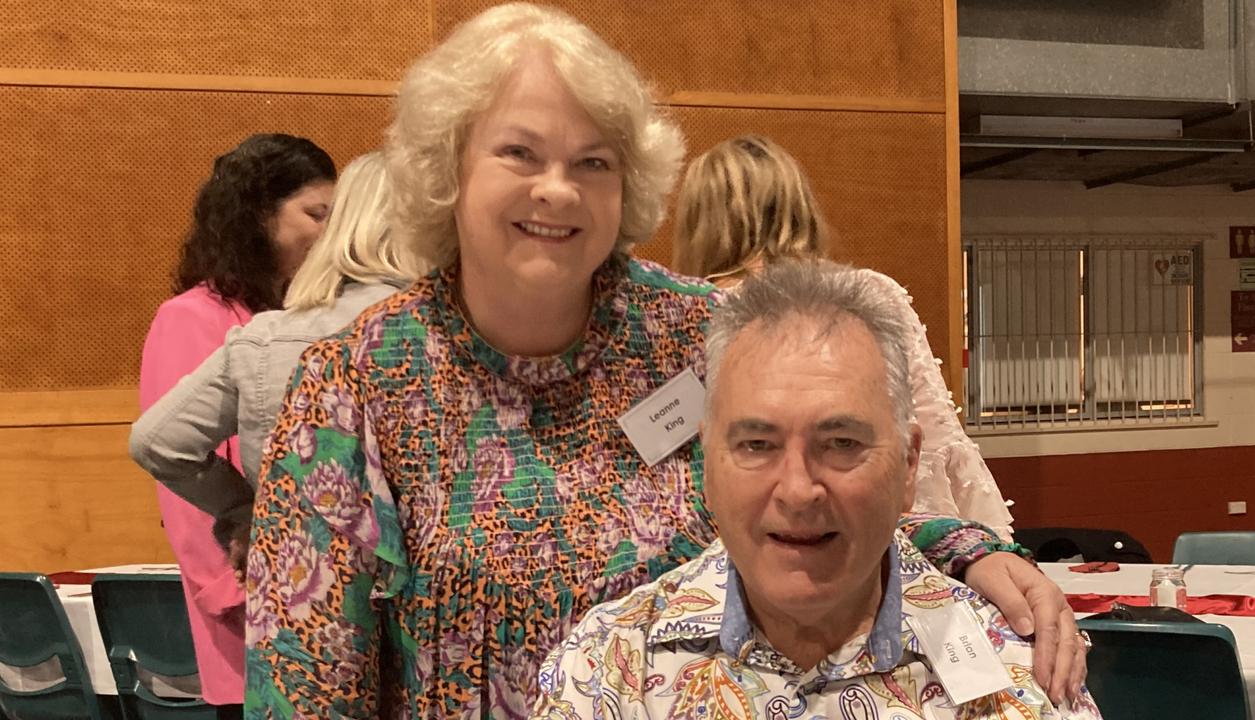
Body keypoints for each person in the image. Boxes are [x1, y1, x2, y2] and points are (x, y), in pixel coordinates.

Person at [245, 5, 1083, 717]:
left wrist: (968, 550)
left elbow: (822, 488)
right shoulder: (358, 383)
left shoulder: (700, 335)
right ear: (447, 170)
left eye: (593, 161)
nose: (557, 189)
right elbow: (304, 674)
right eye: (519, 153)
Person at [535, 260, 1100, 719]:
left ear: (908, 465)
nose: (799, 490)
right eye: (756, 445)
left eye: (841, 443)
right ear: (706, 464)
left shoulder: (1022, 678)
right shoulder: (606, 672)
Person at [673, 134, 1014, 539]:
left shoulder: (692, 311)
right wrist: (973, 546)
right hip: (900, 537)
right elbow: (938, 435)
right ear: (800, 206)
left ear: (698, 221)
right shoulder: (872, 293)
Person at [131, 151, 428, 577]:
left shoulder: (266, 335)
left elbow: (156, 441)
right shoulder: (454, 334)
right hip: (424, 605)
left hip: (295, 595)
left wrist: (248, 512)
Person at [137, 132, 334, 716]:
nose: (331, 232)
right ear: (257, 216)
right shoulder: (190, 317)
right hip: (248, 607)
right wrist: (236, 593)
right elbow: (181, 488)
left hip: (314, 610)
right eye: (316, 213)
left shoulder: (297, 317)